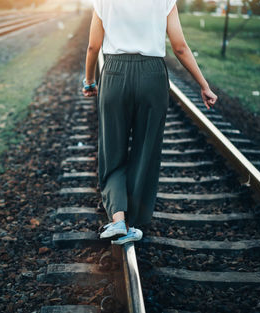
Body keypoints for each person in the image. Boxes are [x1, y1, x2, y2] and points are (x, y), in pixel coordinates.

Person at [82, 0, 218, 245]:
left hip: (114, 73)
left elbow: (93, 46)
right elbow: (180, 48)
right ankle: (131, 222)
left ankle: (118, 219)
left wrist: (89, 80)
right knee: (146, 150)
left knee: (112, 151)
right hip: (152, 77)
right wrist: (203, 85)